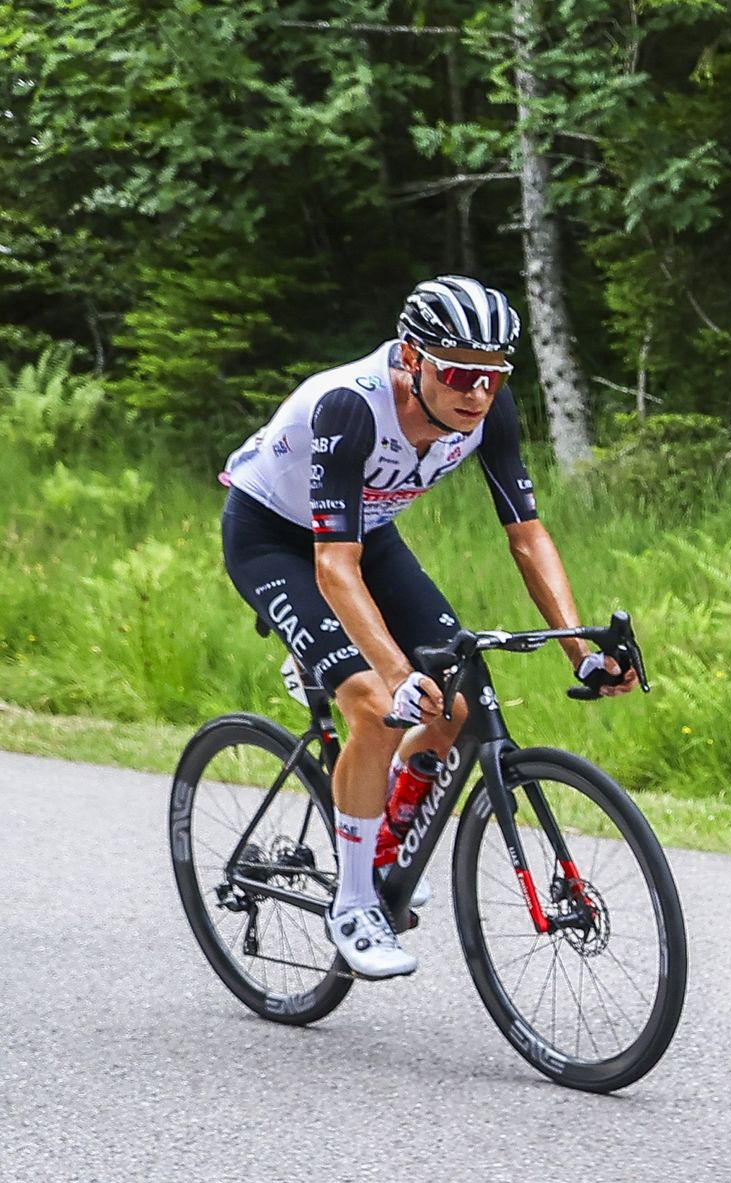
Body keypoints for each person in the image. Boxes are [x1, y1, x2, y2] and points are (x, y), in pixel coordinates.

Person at [219, 275, 637, 979]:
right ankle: (353, 909)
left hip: (366, 535)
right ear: (413, 360)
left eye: (494, 375)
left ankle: (380, 849)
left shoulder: (487, 410)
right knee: (377, 706)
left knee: (455, 705)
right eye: (459, 372)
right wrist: (389, 673)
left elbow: (528, 537)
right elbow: (332, 568)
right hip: (276, 540)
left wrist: (578, 651)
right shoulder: (352, 407)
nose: (477, 391)